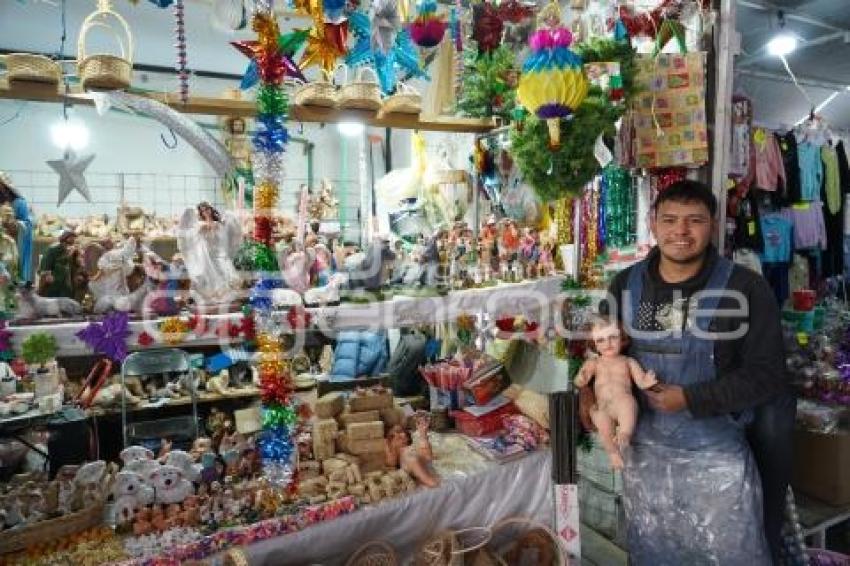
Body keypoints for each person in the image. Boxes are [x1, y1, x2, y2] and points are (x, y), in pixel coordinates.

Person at [586, 180, 793, 565]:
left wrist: (691, 397)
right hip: (643, 462)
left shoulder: (745, 288)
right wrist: (593, 398)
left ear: (712, 225)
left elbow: (768, 374)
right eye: (670, 220)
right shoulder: (625, 285)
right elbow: (602, 353)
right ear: (653, 223)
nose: (681, 231)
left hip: (716, 464)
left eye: (694, 220)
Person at [0, 172, 34, 283]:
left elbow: (27, 224)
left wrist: (14, 224)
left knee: (11, 267)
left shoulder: (19, 203)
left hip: (14, 244)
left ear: (6, 186)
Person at [38, 230, 78, 299]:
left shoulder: (71, 250)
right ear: (63, 240)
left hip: (65, 284)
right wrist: (47, 275)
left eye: (73, 240)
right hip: (53, 282)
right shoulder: (53, 249)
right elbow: (45, 266)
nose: (70, 245)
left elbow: (72, 264)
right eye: (70, 239)